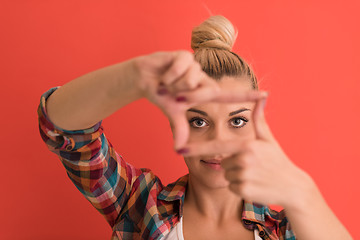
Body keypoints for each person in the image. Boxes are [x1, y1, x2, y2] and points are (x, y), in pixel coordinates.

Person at [37, 15, 352, 240]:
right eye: (199, 121)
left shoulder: (288, 230)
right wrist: (134, 75)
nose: (218, 141)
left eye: (237, 120)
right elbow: (63, 131)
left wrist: (301, 191)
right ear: (176, 129)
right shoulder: (139, 204)